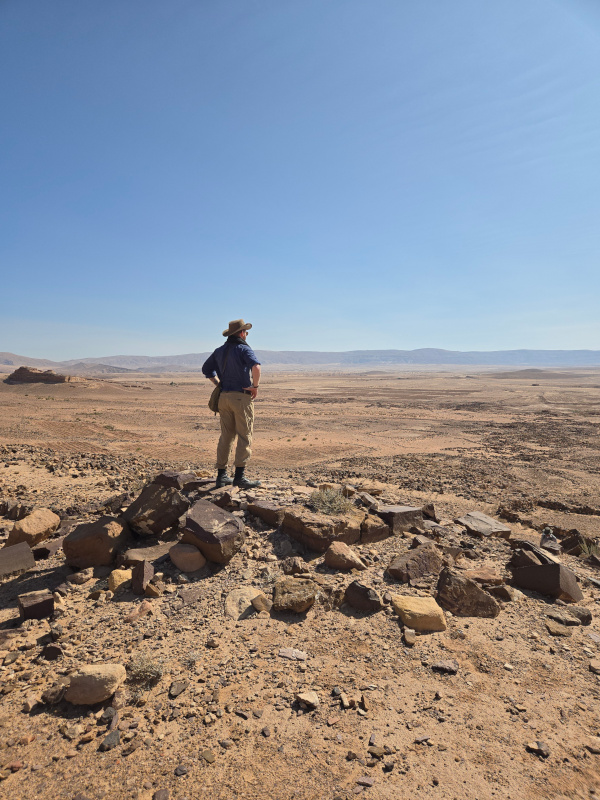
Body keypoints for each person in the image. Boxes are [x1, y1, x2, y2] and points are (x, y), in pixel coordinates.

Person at [202, 319, 262, 489]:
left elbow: (206, 370)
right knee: (244, 435)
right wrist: (255, 387)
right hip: (241, 398)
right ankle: (239, 477)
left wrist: (218, 384)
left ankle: (221, 476)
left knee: (226, 436)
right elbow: (256, 367)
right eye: (246, 332)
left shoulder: (219, 351)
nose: (246, 335)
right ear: (241, 333)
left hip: (224, 398)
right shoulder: (243, 349)